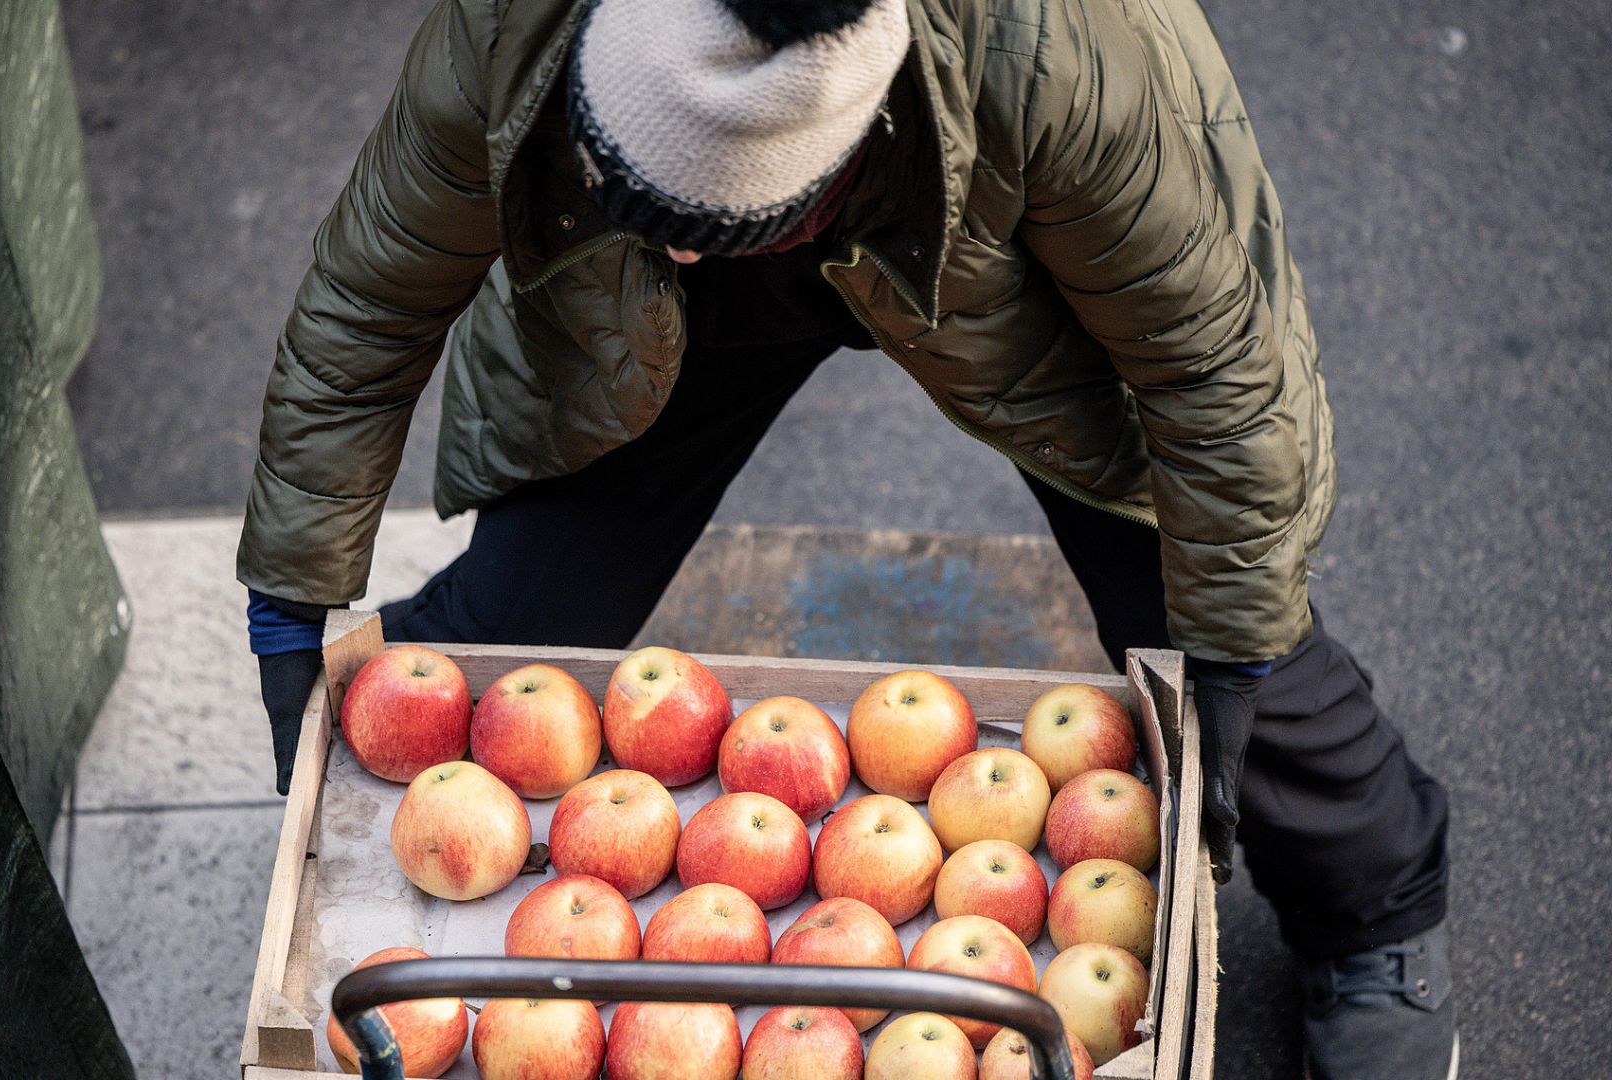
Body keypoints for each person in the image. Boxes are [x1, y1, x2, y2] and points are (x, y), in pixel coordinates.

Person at [235, 0, 1455, 1074]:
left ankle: (1377, 910)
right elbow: (367, 306)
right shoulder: (517, 38)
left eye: (695, 222)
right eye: (623, 180)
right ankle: (400, 880)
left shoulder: (1053, 61)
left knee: (1207, 622)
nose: (678, 239)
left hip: (1000, 241)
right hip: (660, 303)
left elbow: (1208, 369)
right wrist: (293, 595)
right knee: (515, 630)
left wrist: (1231, 651)